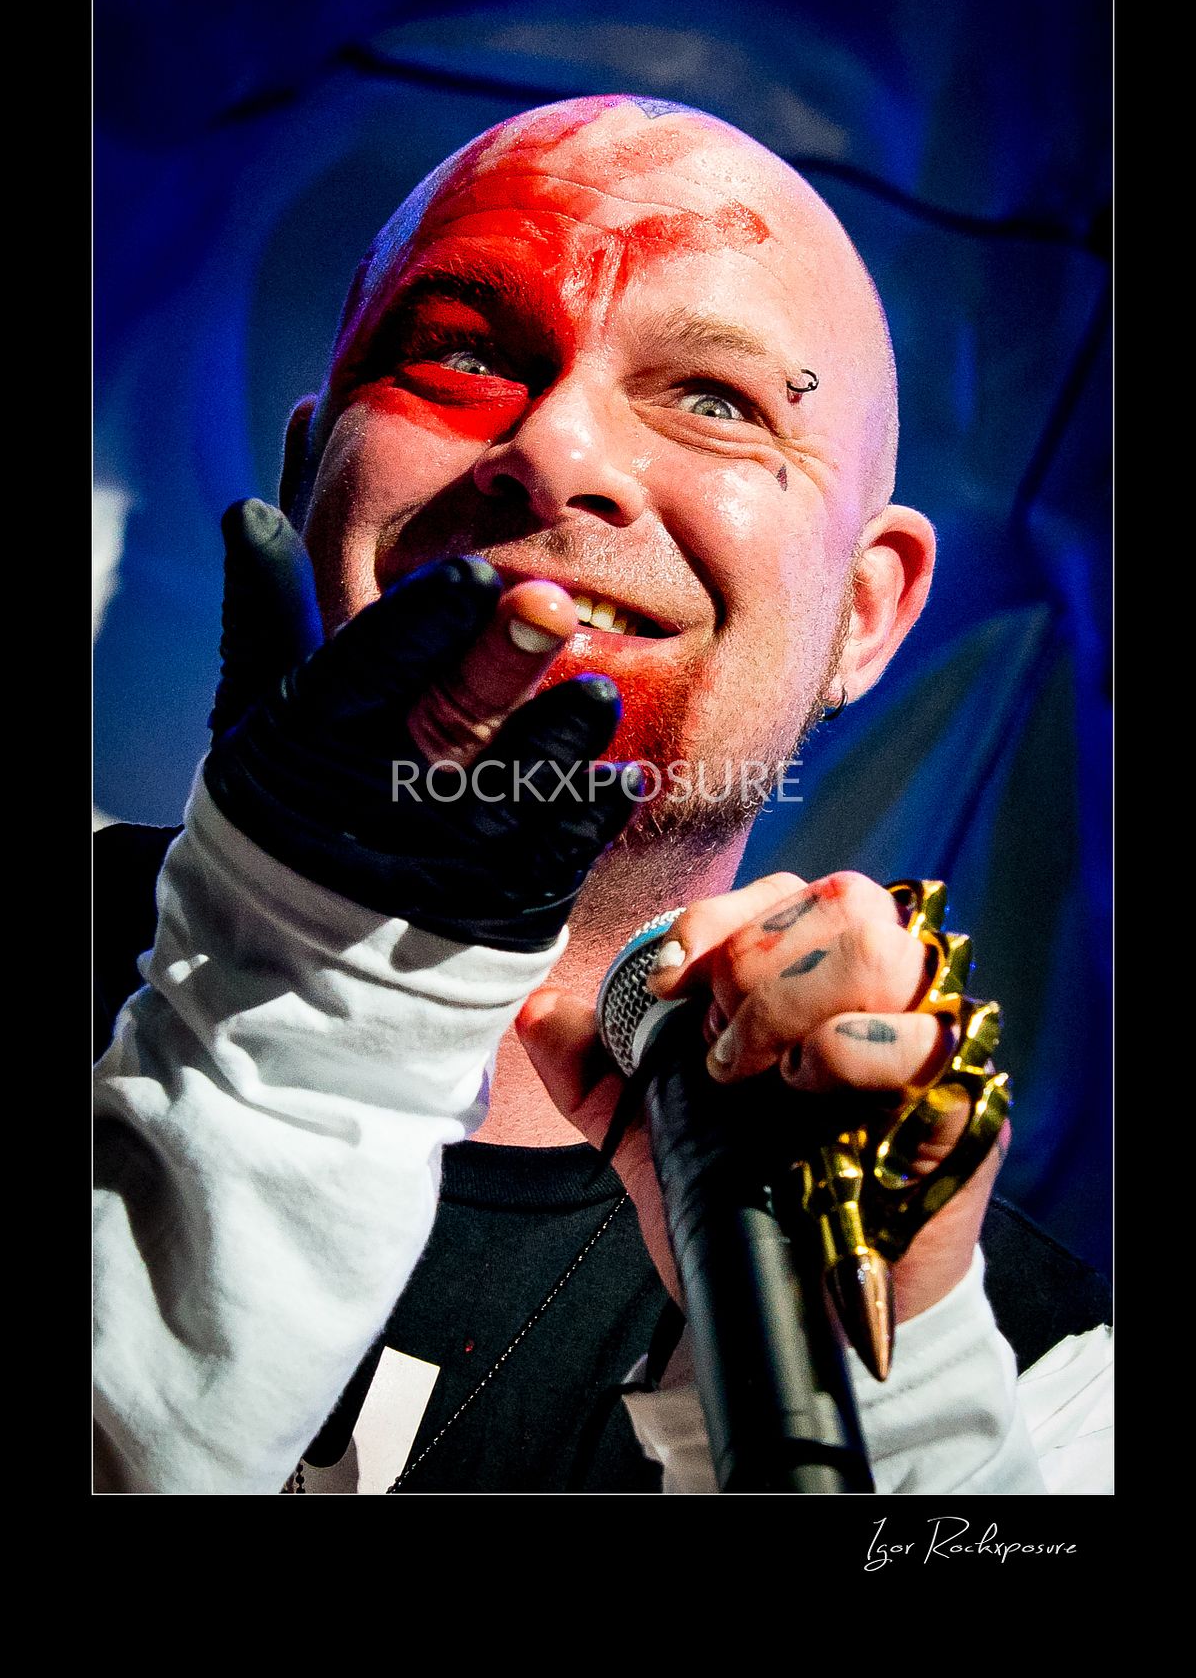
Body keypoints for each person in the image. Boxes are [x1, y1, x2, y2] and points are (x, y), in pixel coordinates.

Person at [93, 94, 1112, 1494]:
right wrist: (306, 975)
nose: (557, 453)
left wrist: (892, 1396)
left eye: (718, 400)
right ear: (308, 474)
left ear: (864, 615)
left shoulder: (1044, 1386)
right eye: (461, 352)